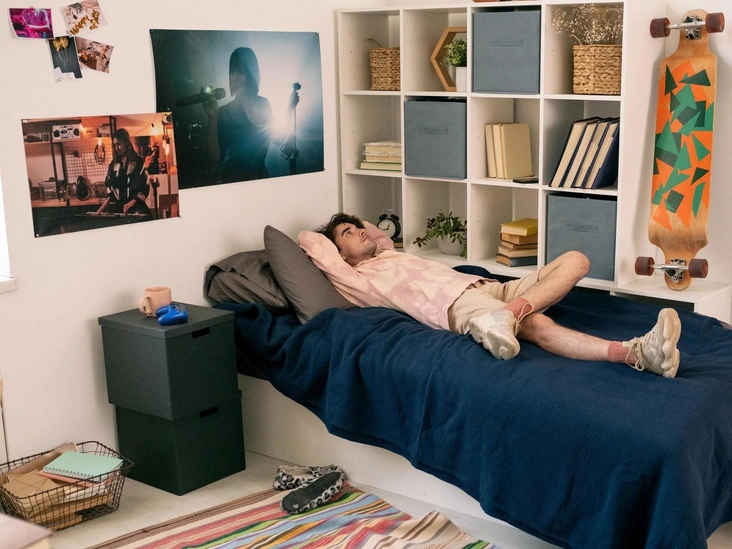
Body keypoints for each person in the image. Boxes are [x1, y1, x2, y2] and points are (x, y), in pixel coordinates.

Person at [298, 213, 682, 378]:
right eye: (348, 234)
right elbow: (309, 242)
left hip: (490, 287)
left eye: (357, 227)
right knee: (538, 325)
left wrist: (359, 228)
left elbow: (377, 232)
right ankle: (635, 353)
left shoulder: (388, 252)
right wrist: (335, 234)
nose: (359, 231)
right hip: (459, 305)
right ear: (339, 254)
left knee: (577, 260)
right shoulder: (357, 279)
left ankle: (507, 316)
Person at [203, 47, 299, 184]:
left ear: (251, 73)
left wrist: (290, 108)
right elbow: (214, 161)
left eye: (241, 72)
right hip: (235, 181)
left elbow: (277, 139)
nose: (234, 78)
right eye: (232, 71)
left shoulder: (263, 103)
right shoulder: (223, 112)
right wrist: (212, 118)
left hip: (261, 178)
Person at [97, 128, 151, 216]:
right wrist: (105, 204)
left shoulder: (138, 161)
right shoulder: (113, 164)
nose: (116, 148)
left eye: (119, 144)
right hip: (119, 208)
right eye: (114, 145)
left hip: (136, 207)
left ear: (126, 143)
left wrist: (132, 202)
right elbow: (109, 185)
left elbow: (145, 185)